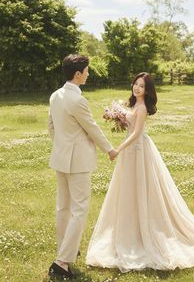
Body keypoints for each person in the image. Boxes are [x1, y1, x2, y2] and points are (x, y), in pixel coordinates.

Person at [86, 72, 194, 272]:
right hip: (130, 153)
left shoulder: (142, 109)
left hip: (138, 151)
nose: (137, 88)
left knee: (143, 187)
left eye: (142, 86)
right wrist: (118, 117)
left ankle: (147, 227)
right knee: (128, 190)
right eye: (136, 84)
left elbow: (137, 134)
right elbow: (128, 124)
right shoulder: (132, 105)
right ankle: (129, 226)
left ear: (147, 90)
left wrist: (118, 149)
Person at [48, 54, 117, 280]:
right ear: (77, 74)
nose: (88, 73)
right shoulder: (77, 100)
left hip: (60, 158)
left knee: (63, 207)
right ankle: (62, 262)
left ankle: (65, 249)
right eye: (86, 70)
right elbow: (92, 128)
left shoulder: (55, 96)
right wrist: (109, 149)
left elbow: (52, 127)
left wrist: (61, 147)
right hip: (77, 162)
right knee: (79, 209)